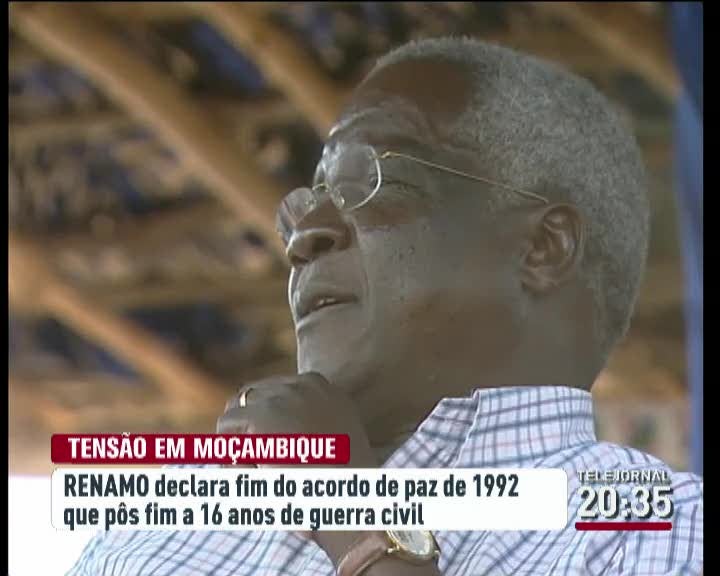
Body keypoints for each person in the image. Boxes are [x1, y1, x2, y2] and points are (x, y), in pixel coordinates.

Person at [68, 37, 703, 576]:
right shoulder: (147, 537)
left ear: (542, 247)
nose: (304, 234)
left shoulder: (662, 532)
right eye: (308, 201)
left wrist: (353, 514)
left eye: (368, 183)